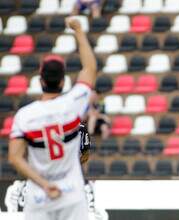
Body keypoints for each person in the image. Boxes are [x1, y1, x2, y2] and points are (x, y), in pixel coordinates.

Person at [8, 17, 97, 220]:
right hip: (72, 194)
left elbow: (14, 158)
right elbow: (90, 69)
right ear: (63, 81)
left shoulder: (25, 116)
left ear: (40, 80)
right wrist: (79, 31)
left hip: (40, 196)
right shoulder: (73, 104)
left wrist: (45, 183)